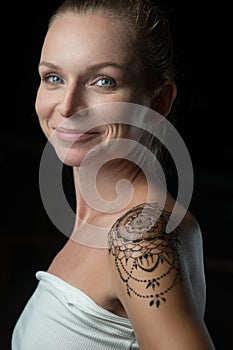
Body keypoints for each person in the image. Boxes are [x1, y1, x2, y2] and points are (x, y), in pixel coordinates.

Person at [11, 0, 216, 349]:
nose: (67, 106)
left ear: (159, 101)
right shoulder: (114, 225)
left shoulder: (138, 238)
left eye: (104, 81)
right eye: (54, 78)